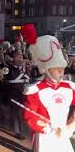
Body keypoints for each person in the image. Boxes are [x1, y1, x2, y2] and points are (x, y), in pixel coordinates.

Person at [21, 24, 75, 152]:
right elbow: (29, 116)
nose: (61, 73)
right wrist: (48, 129)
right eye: (57, 70)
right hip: (44, 136)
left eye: (62, 70)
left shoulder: (69, 87)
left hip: (64, 134)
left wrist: (71, 124)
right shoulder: (35, 90)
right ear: (47, 70)